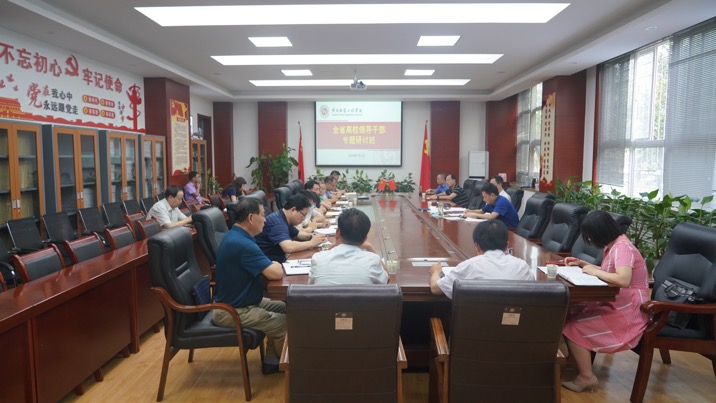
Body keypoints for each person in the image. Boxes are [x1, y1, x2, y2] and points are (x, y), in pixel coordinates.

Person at [560, 210, 650, 393]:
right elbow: (610, 271)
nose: (589, 240)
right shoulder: (615, 245)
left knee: (573, 326)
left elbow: (623, 279)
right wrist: (583, 264)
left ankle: (586, 377)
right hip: (616, 301)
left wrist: (594, 271)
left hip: (629, 311)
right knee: (570, 311)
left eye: (590, 235)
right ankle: (575, 361)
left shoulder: (622, 248)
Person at [212, 198, 286, 375]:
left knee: (286, 307)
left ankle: (271, 359)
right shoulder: (243, 244)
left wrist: (272, 264)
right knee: (282, 323)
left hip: (243, 301)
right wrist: (275, 264)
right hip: (231, 311)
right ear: (251, 218)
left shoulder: (236, 235)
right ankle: (283, 365)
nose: (265, 219)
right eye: (263, 215)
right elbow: (275, 273)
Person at [428, 220, 534, 299]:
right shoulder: (522, 267)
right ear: (507, 246)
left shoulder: (470, 266)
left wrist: (436, 272)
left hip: (475, 323)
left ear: (477, 246)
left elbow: (435, 288)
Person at [310, 208, 388, 285]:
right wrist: (369, 247)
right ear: (365, 238)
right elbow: (387, 280)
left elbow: (311, 284)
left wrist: (334, 244)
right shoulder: (372, 260)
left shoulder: (318, 259)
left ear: (337, 232)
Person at [255, 193, 327, 263]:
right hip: (270, 263)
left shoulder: (283, 217)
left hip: (280, 258)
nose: (304, 218)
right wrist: (311, 243)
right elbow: (288, 247)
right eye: (304, 215)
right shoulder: (278, 223)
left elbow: (298, 235)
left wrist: (313, 236)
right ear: (293, 210)